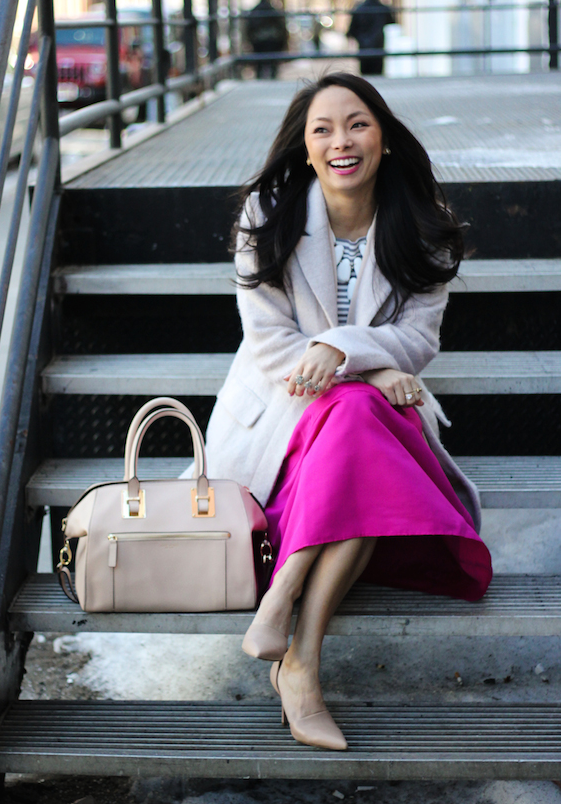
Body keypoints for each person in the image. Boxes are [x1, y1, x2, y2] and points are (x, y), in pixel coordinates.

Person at [200, 72, 492, 752]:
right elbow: (270, 345)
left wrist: (343, 349)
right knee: (359, 422)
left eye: (357, 124)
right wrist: (369, 364)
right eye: (322, 130)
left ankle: (290, 619)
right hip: (285, 414)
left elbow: (420, 341)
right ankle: (298, 664)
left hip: (368, 422)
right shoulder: (266, 213)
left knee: (360, 423)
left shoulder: (424, 224)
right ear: (304, 149)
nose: (342, 141)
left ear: (384, 138)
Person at [347, 0, 395, 75]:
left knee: (366, 77)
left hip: (364, 48)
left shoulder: (359, 9)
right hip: (378, 47)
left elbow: (352, 30)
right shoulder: (382, 8)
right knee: (377, 75)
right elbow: (392, 24)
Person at [246, 0, 288, 79]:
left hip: (258, 40)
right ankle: (273, 77)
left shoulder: (254, 11)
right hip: (272, 40)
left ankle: (259, 77)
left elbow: (249, 27)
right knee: (272, 61)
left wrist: (250, 40)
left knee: (259, 62)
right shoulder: (273, 10)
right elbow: (281, 26)